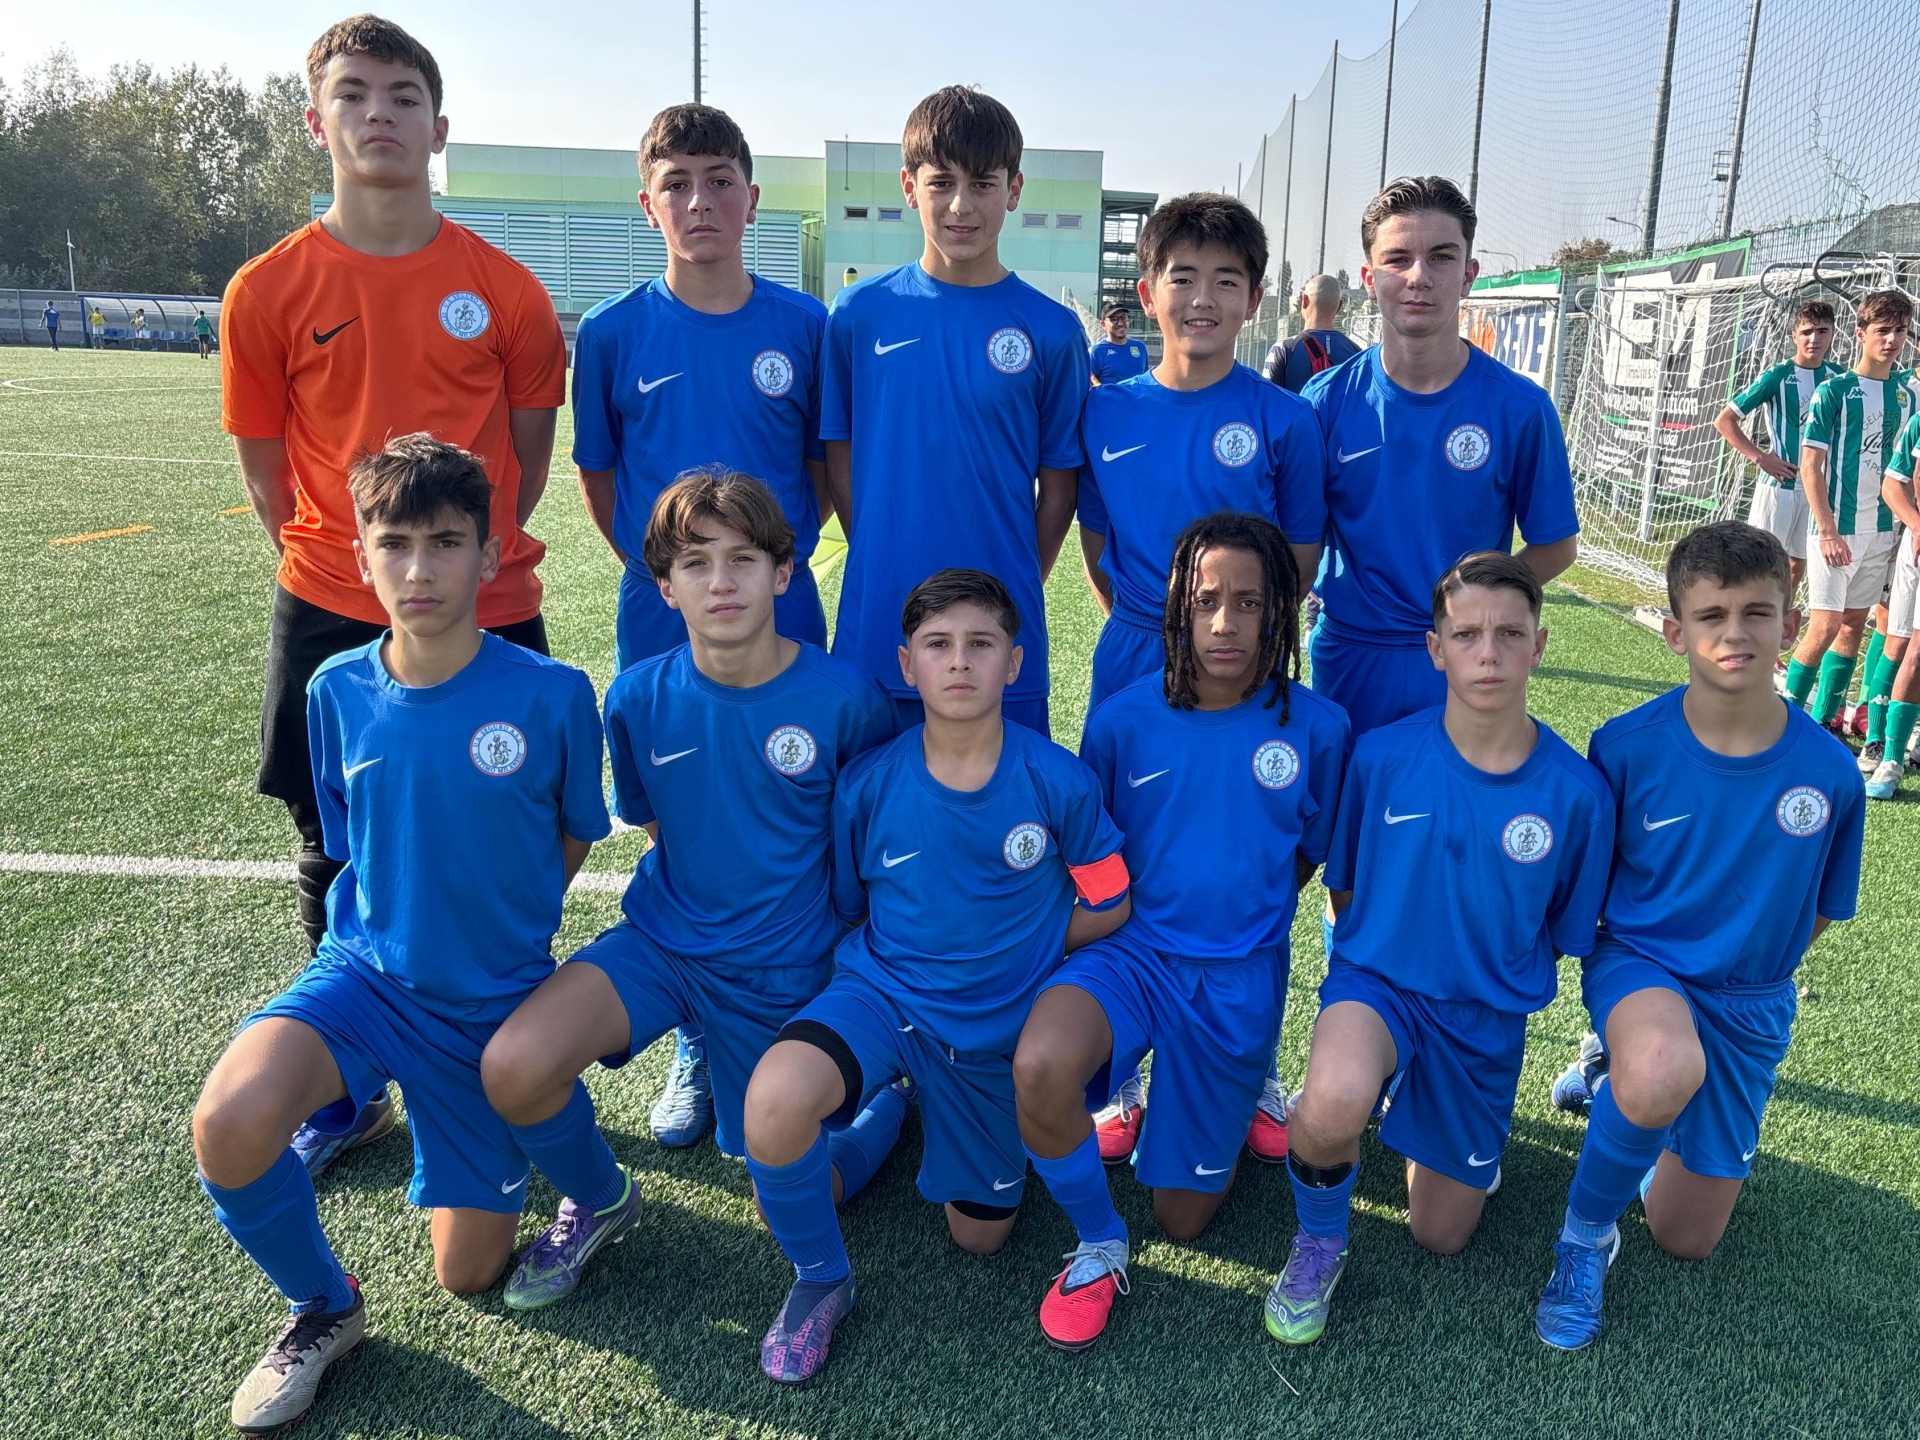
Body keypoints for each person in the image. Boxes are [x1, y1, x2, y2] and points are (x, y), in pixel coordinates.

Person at [190, 435, 613, 1435]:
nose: (419, 569)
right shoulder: (335, 690)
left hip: (488, 1007)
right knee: (229, 1122)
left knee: (468, 1274)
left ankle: (579, 1176)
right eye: (395, 544)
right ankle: (323, 1307)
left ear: (490, 554)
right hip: (364, 980)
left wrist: (503, 931)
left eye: (446, 542)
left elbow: (573, 832)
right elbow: (352, 843)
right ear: (361, 555)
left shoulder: (553, 694)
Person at [221, 13, 567, 1177]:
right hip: (332, 602)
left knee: (508, 833)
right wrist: (356, 572)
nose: (380, 115)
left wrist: (464, 565)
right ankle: (352, 1081)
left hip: (488, 603)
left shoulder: (505, 291)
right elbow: (267, 476)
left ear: (438, 126)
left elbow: (525, 459)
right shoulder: (267, 289)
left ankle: (504, 1062)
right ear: (316, 122)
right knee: (331, 840)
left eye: (403, 96)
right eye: (355, 94)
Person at [477, 468, 908, 1313]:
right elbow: (656, 825)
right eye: (696, 563)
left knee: (797, 1197)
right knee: (514, 1067)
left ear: (784, 573)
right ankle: (602, 1198)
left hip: (785, 970)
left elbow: (873, 853)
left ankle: (886, 1105)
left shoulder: (845, 700)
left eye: (743, 559)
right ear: (665, 586)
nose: (722, 583)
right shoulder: (637, 698)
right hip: (663, 945)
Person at [740, 569, 1129, 1384]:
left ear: (1014, 662)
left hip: (988, 1035)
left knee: (980, 1235)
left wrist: (1031, 941)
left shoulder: (1057, 780)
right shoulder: (868, 784)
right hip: (882, 998)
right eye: (937, 645)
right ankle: (821, 1280)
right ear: (906, 664)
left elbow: (1111, 899)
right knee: (774, 1109)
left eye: (980, 644)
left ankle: (897, 1106)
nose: (959, 662)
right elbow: (854, 907)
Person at [1014, 513, 1349, 1352]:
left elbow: (1307, 855)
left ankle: (1220, 1090)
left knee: (1184, 1219)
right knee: (1041, 1063)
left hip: (1235, 979)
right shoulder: (1122, 721)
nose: (1226, 622)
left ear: (1281, 612)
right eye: (1206, 601)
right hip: (1131, 956)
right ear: (1176, 609)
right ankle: (1099, 1239)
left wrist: (1238, 908)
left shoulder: (1318, 729)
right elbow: (1092, 856)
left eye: (1249, 602)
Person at [1264, 551, 1614, 1347]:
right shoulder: (1382, 758)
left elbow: (1565, 931)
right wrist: (1380, 967)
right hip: (1378, 986)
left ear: (1539, 645)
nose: (1488, 653)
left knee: (1441, 1234)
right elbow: (1344, 889)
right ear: (1435, 648)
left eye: (1509, 634)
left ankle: (1421, 1108)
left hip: (1482, 1020)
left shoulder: (1577, 794)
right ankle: (1320, 1241)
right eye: (1466, 634)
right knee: (1329, 1104)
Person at [571, 103, 833, 1149]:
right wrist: (671, 578)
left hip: (782, 602)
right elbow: (600, 479)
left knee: (796, 800)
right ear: (649, 205)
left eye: (720, 179)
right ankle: (694, 1035)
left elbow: (821, 470)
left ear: (752, 200)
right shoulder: (611, 332)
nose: (700, 200)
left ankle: (803, 1019)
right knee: (676, 809)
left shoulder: (805, 328)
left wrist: (766, 568)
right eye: (676, 182)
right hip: (664, 611)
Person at [1534, 522, 1863, 1350]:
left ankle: (1616, 1083)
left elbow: (1821, 909)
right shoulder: (1625, 748)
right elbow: (1588, 886)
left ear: (1791, 624)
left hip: (1749, 999)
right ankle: (1583, 1240)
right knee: (1662, 1064)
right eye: (1711, 615)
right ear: (1675, 632)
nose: (1735, 633)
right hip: (1641, 965)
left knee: (1687, 1239)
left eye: (1757, 612)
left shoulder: (1829, 773)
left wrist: (1742, 956)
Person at [1073, 191, 1326, 1165]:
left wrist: (1230, 640)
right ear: (1148, 291)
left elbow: (1295, 560)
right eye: (1183, 278)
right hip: (1137, 654)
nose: (1204, 299)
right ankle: (1128, 1071)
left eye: (1228, 281)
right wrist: (1155, 632)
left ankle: (1248, 1062)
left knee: (1249, 857)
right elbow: (1098, 548)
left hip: (1245, 667)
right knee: (1120, 849)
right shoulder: (1107, 410)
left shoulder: (1283, 421)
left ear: (1256, 299)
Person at [822, 86, 1088, 737]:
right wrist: (884, 548)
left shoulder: (1053, 331)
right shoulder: (859, 314)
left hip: (1000, 635)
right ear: (909, 188)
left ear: (1014, 190)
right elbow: (838, 455)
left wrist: (1010, 582)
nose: (961, 205)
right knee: (871, 796)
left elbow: (1060, 489)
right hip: (880, 624)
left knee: (1007, 799)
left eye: (983, 183)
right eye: (941, 182)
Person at [1304, 176, 1579, 743]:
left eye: (1441, 257)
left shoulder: (1521, 407)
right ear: (1368, 279)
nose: (1419, 277)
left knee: (1458, 801)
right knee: (1348, 799)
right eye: (1397, 259)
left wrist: (1474, 611)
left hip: (1465, 661)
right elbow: (1298, 540)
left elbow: (1556, 545)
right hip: (1351, 655)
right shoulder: (1324, 402)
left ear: (1469, 273)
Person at [1782, 290, 1912, 741]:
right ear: (1860, 334)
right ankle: (1783, 722)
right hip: (1836, 530)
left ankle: (1821, 723)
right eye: (1883, 330)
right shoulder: (1833, 391)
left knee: (1854, 624)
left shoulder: (1906, 395)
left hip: (1883, 531)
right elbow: (1810, 466)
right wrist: (1826, 530)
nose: (1892, 340)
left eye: (1900, 331)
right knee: (1824, 625)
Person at [1714, 299, 1839, 592]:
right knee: (1761, 561)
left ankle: (1780, 613)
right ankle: (1745, 611)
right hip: (1780, 487)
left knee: (1797, 561)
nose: (1814, 338)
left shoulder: (1838, 378)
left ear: (1833, 333)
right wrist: (1760, 458)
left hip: (1817, 487)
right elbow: (1724, 421)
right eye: (1806, 332)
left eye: (1822, 331)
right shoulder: (1778, 376)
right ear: (1794, 336)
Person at [1862, 418, 1920, 797]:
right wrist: (1916, 525)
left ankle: (1899, 751)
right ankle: (1882, 748)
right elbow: (1892, 485)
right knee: (1899, 643)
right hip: (1913, 549)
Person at [1264, 273, 1360, 393]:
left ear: (1304, 300)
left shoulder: (1283, 350)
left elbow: (1265, 398)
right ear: (1339, 306)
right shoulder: (1357, 353)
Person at [1089, 303, 1150, 385]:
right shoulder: (1096, 351)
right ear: (1103, 324)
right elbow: (1089, 380)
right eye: (1114, 319)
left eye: (1124, 318)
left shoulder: (1139, 347)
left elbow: (1145, 379)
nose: (1120, 323)